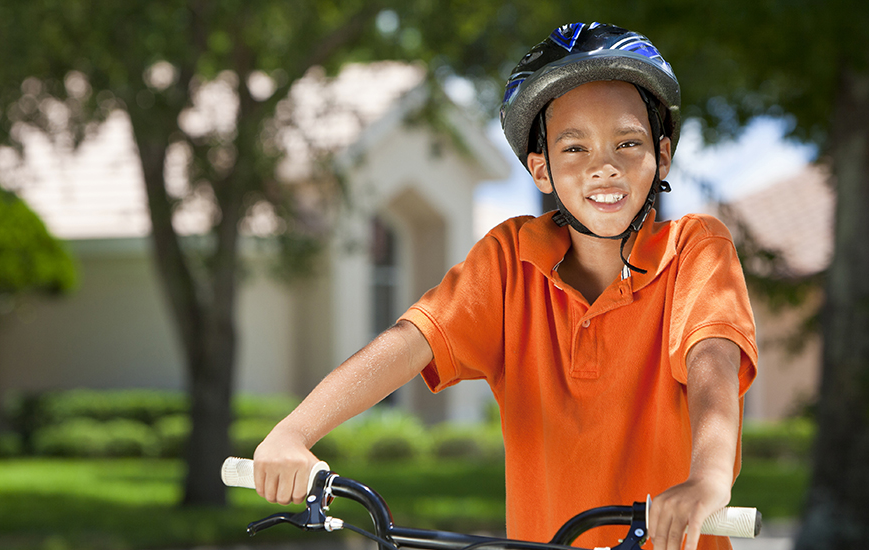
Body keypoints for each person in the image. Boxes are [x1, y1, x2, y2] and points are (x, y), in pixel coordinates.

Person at [253, 22, 757, 550]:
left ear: (663, 156)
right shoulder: (509, 262)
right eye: (574, 149)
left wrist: (708, 479)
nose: (604, 167)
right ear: (541, 171)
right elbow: (410, 343)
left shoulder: (696, 248)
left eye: (628, 143)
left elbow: (713, 362)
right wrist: (295, 431)